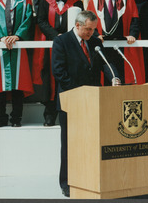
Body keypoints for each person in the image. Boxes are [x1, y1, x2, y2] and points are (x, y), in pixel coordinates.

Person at [52, 10, 121, 197]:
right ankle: (67, 183)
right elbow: (59, 72)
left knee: (92, 142)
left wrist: (114, 77)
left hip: (93, 101)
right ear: (77, 25)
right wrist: (80, 94)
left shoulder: (96, 42)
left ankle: (90, 179)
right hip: (71, 101)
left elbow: (106, 64)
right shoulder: (61, 41)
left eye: (93, 29)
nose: (91, 33)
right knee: (69, 144)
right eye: (88, 29)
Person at [32, 0, 84, 126]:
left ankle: (71, 114)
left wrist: (66, 38)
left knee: (70, 77)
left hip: (71, 47)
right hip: (51, 46)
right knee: (50, 78)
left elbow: (80, 23)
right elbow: (41, 22)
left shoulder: (77, 3)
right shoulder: (44, 3)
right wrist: (56, 36)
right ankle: (49, 114)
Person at [87, 0, 145, 85]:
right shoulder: (93, 1)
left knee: (123, 78)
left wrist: (132, 35)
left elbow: (135, 20)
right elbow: (89, 22)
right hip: (102, 45)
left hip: (122, 45)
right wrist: (96, 35)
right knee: (105, 78)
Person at [0, 0, 34, 127]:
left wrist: (18, 35)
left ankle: (16, 119)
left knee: (18, 83)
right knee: (0, 83)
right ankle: (0, 118)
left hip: (18, 45)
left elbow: (28, 18)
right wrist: (1, 37)